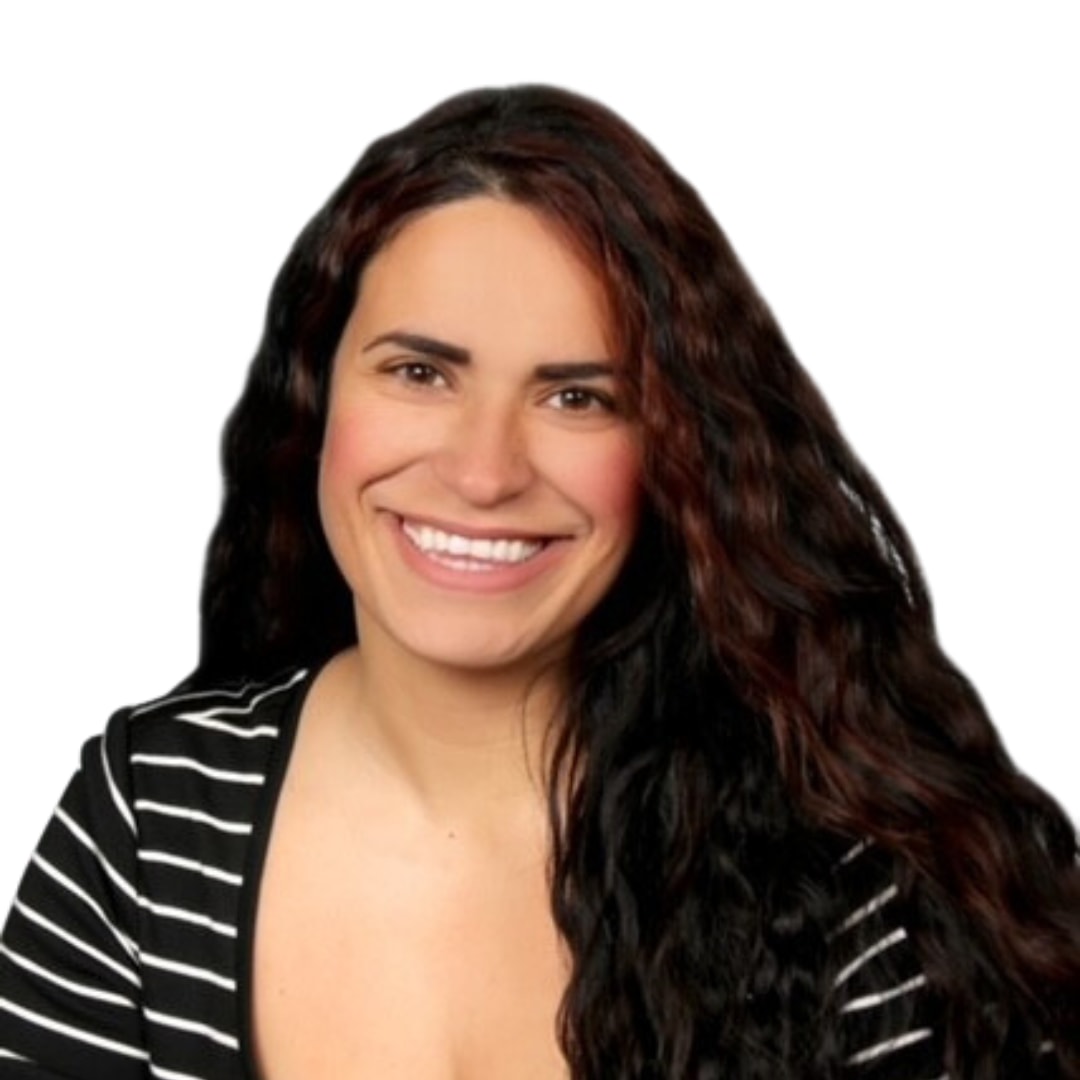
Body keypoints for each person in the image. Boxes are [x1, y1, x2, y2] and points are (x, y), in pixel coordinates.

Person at [0, 85, 1077, 1080]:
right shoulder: (149, 820)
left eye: (578, 399)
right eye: (419, 372)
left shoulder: (837, 877)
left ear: (675, 456)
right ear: (316, 392)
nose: (483, 472)